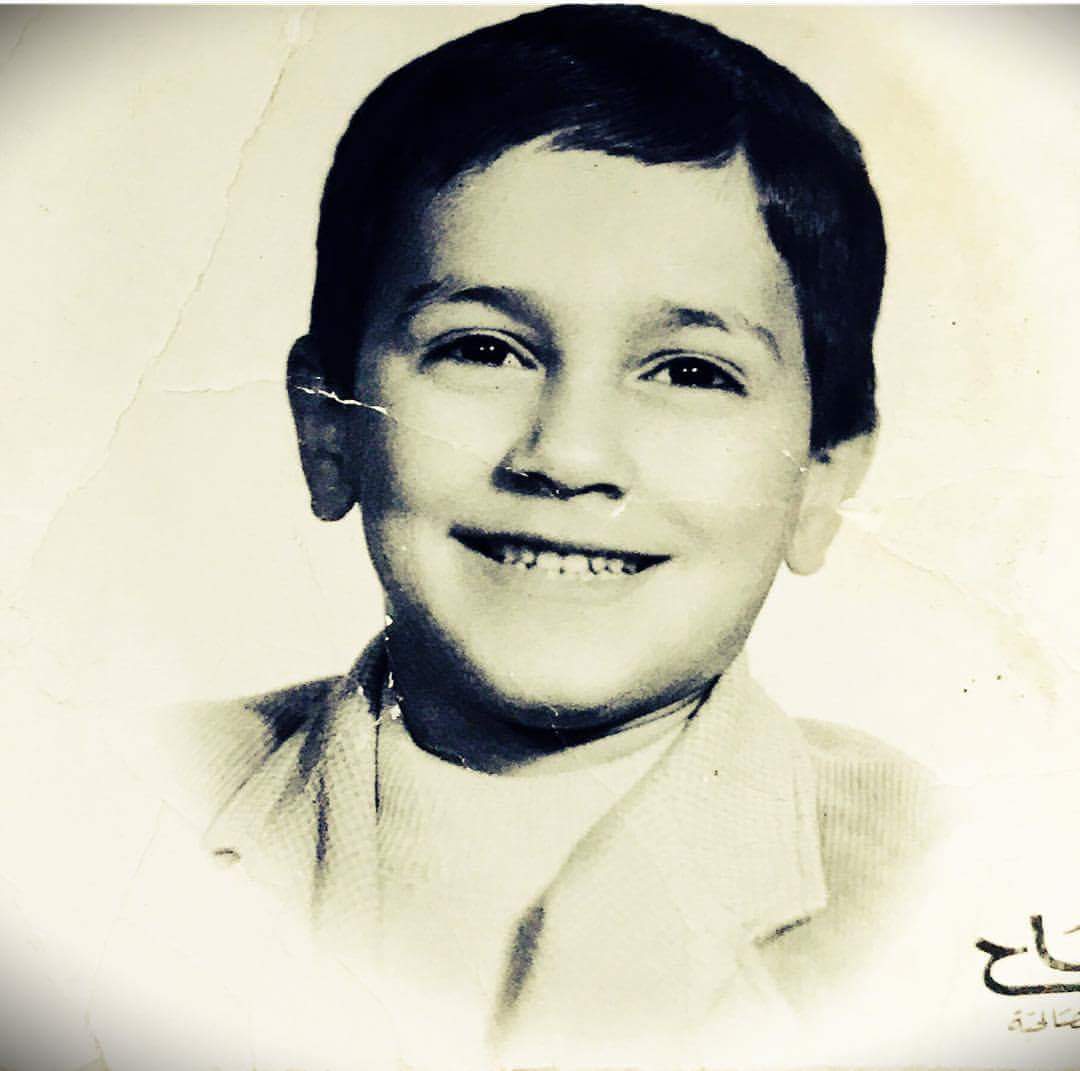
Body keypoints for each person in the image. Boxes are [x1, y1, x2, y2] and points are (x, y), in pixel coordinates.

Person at [91, 6, 942, 1069]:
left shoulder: (960, 881)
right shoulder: (100, 809)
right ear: (329, 429)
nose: (568, 455)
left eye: (689, 371)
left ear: (820, 477)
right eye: (482, 350)